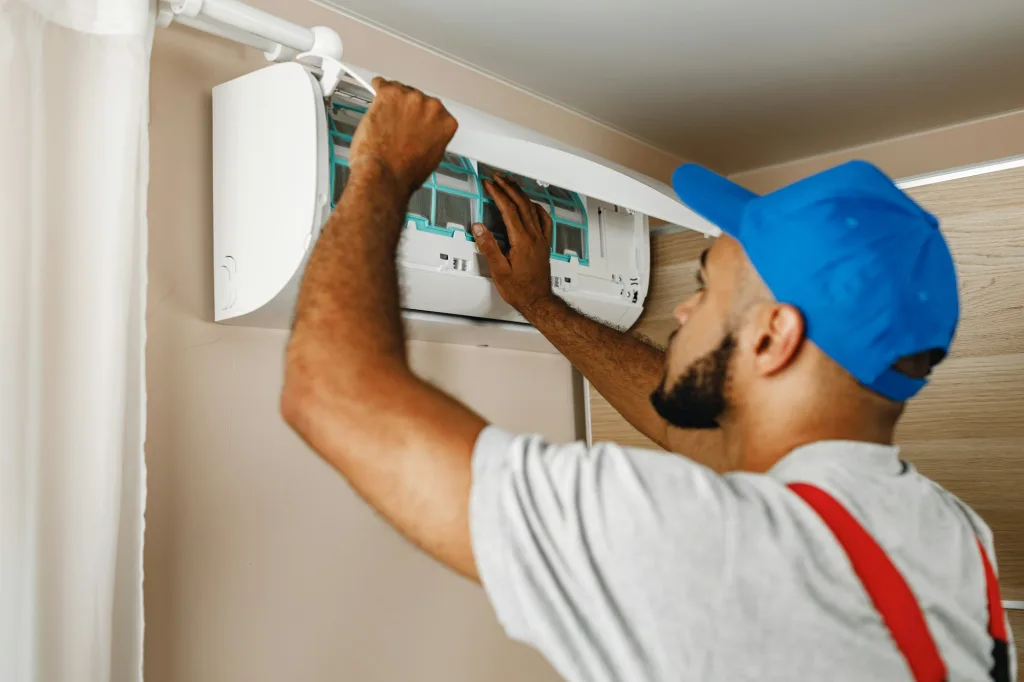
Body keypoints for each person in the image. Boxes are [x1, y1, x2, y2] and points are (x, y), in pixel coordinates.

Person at [280, 78, 1015, 681]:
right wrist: (538, 303)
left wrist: (379, 168)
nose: (686, 308)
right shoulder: (947, 537)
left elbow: (333, 396)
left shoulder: (714, 548)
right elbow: (682, 423)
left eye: (707, 285)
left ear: (771, 336)